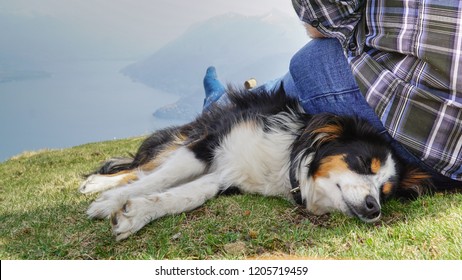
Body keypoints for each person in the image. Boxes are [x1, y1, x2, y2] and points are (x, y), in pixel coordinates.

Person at [203, 0, 462, 188]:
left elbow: (325, 20)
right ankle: (241, 97)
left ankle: (224, 107)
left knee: (311, 62)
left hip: (433, 139)